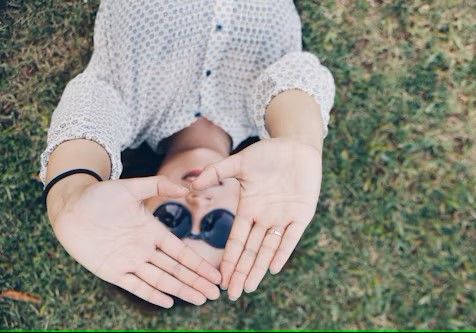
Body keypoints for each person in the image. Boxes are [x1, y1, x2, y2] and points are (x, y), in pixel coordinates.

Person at [41, 0, 335, 308]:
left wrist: (69, 195)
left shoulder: (127, 108)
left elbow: (89, 113)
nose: (197, 203)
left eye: (172, 220)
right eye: (219, 226)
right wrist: (300, 140)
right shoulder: (272, 117)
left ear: (140, 205)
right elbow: (299, 75)